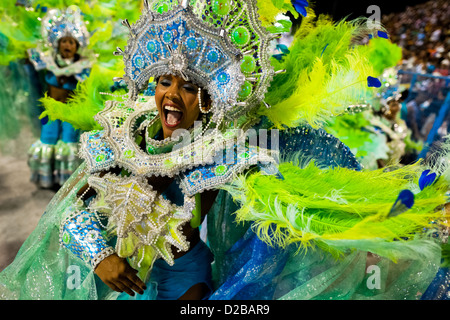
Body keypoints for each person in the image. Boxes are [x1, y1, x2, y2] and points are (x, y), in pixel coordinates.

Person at [0, 0, 449, 301]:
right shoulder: (122, 133)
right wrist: (99, 255)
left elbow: (285, 205)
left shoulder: (227, 150)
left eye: (191, 87)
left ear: (211, 97)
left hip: (185, 277)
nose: (173, 95)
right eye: (164, 81)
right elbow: (69, 211)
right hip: (121, 274)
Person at [27, 6, 93, 189]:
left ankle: (68, 182)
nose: (67, 45)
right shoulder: (49, 62)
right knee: (48, 138)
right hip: (52, 110)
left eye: (72, 42)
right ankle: (48, 178)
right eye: (64, 41)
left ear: (78, 45)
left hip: (71, 112)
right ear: (57, 44)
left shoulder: (83, 66)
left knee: (69, 140)